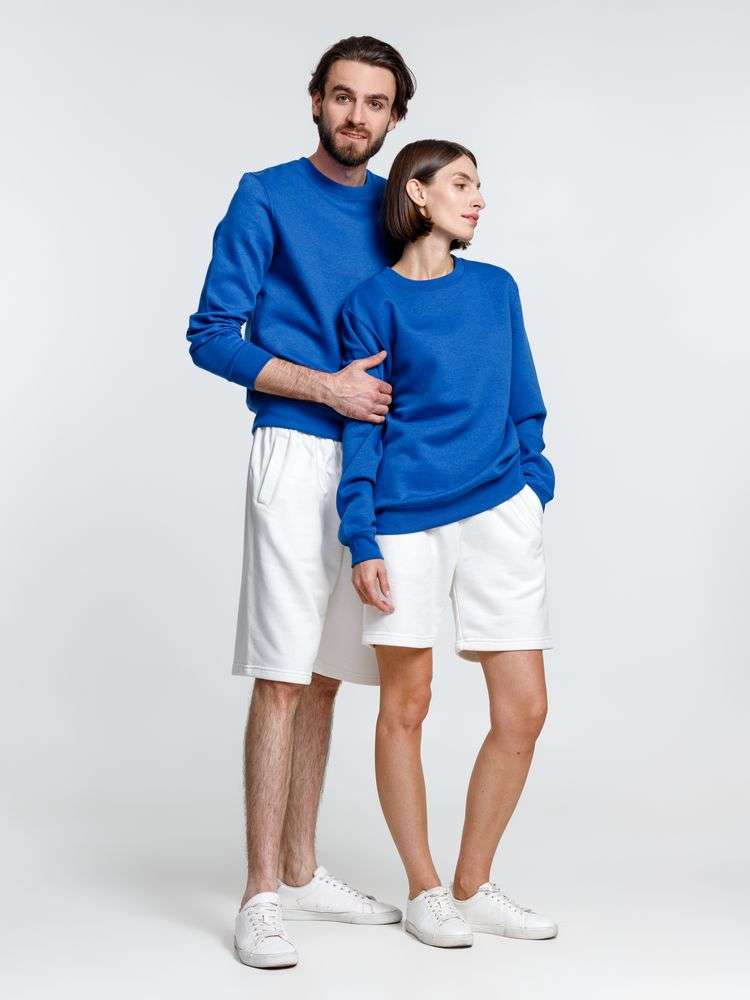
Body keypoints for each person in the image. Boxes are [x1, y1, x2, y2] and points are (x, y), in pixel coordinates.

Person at [186, 37, 416, 970]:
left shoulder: (399, 210)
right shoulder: (266, 195)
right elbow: (211, 335)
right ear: (316, 99)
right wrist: (326, 387)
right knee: (282, 673)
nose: (358, 116)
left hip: (374, 463)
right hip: (294, 446)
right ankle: (259, 895)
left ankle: (302, 864)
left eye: (376, 103)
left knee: (327, 675)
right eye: (343, 97)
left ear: (396, 117)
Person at [336, 139, 558, 949]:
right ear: (418, 195)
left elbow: (524, 398)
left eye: (479, 185)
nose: (478, 199)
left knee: (524, 708)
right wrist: (360, 533)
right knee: (408, 704)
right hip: (403, 520)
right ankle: (425, 888)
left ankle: (474, 881)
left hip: (500, 509)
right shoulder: (371, 302)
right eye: (462, 184)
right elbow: (363, 424)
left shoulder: (497, 289)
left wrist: (534, 485)